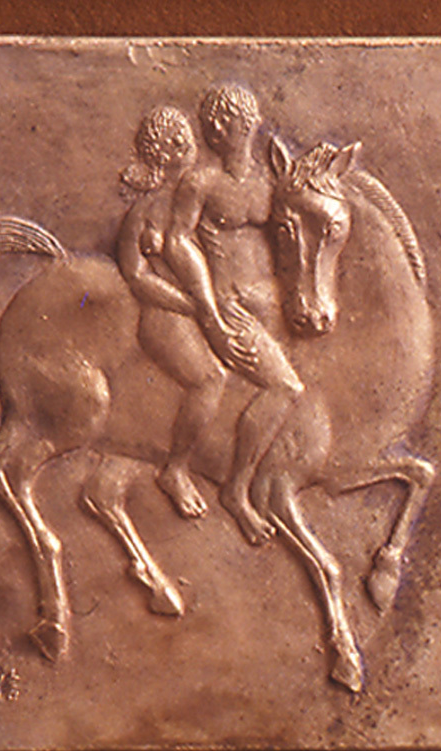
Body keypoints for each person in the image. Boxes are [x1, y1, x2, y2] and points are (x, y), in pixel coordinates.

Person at [164, 84, 305, 545]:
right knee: (284, 387)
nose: (216, 129)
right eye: (212, 123)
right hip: (228, 308)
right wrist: (208, 310)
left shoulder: (269, 184)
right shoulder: (200, 183)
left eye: (225, 122)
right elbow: (178, 242)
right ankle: (234, 490)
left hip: (271, 307)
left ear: (245, 125)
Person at [117, 105, 243, 519]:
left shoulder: (203, 195)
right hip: (167, 316)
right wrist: (188, 304)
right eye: (174, 141)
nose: (186, 144)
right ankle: (176, 469)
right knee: (210, 379)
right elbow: (136, 277)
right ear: (163, 153)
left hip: (214, 306)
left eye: (184, 136)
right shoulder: (144, 212)